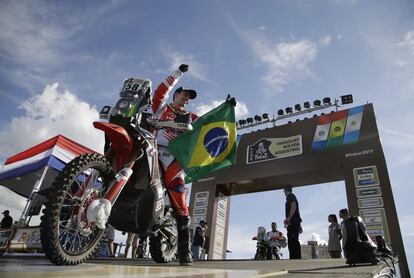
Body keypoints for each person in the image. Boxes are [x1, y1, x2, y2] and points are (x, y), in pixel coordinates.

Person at [152, 64, 197, 266]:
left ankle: (185, 252)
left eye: (189, 98)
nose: (187, 100)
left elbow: (208, 123)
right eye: (185, 95)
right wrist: (178, 73)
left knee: (179, 195)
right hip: (152, 149)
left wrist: (226, 113)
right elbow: (161, 90)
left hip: (173, 159)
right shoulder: (161, 107)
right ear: (176, 94)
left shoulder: (190, 117)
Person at [283, 186, 302, 259]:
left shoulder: (290, 196)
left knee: (292, 241)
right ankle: (295, 257)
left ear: (285, 190)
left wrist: (288, 218)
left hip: (293, 223)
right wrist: (299, 225)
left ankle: (295, 258)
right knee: (293, 240)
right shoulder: (291, 197)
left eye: (284, 191)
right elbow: (297, 211)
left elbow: (293, 206)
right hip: (294, 222)